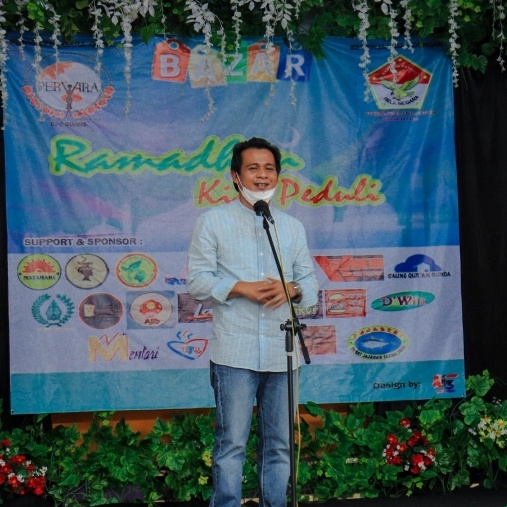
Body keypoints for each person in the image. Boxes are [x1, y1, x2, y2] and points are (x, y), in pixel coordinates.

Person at [187, 137, 319, 507]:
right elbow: (197, 282)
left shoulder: (291, 227)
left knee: (280, 444)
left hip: (282, 353)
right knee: (232, 444)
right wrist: (240, 287)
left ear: (278, 175)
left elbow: (310, 286)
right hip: (235, 352)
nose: (262, 175)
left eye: (269, 168)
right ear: (235, 176)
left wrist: (292, 289)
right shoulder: (212, 222)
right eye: (253, 168)